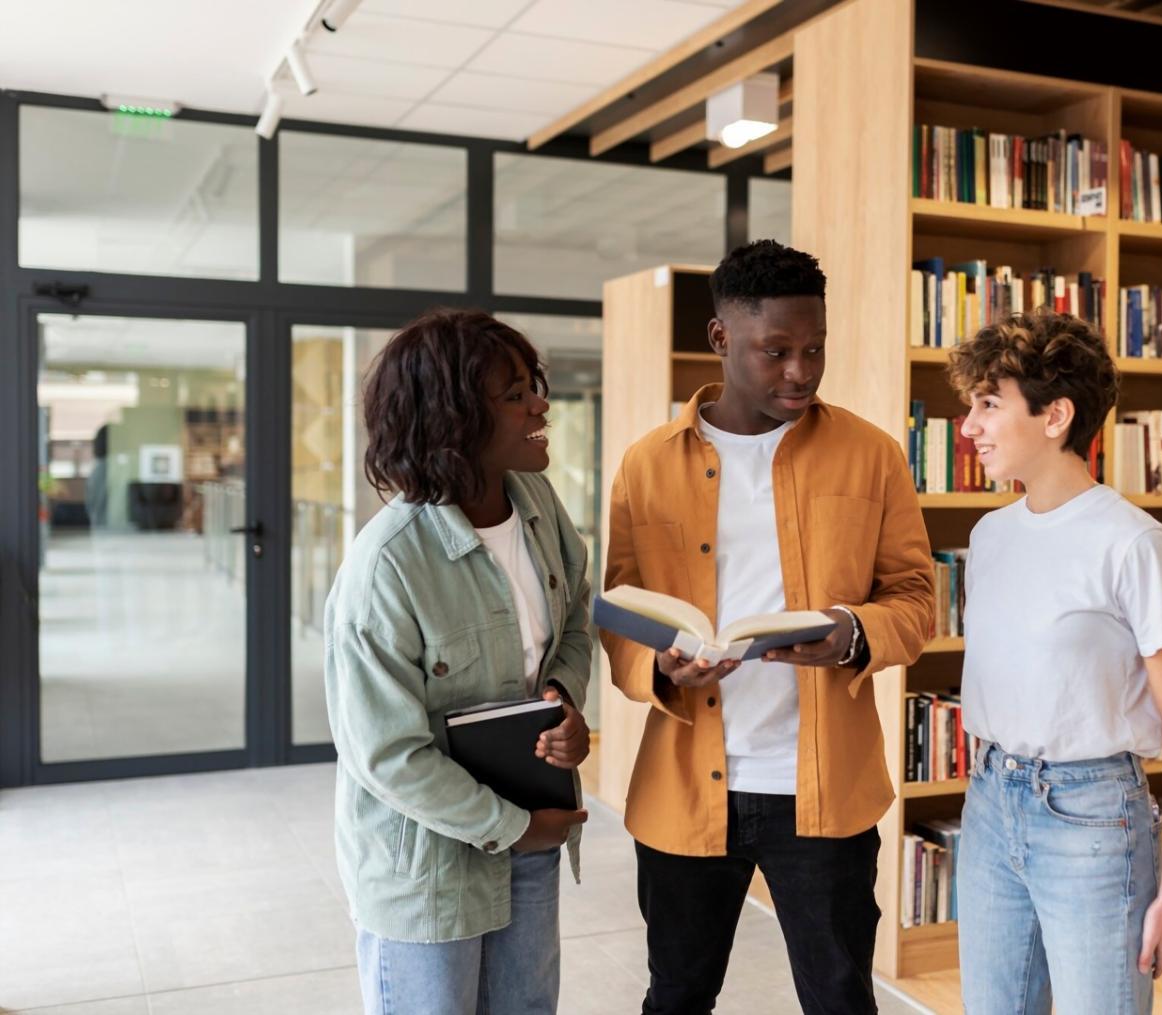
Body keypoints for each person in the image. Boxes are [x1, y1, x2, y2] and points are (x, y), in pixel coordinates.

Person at [601, 240, 935, 1014]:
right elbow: (619, 612)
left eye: (813, 349)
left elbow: (916, 598)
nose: (800, 371)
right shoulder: (645, 463)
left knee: (840, 1000)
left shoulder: (872, 455)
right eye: (776, 351)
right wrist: (659, 665)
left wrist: (851, 631)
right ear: (721, 338)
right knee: (676, 995)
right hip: (685, 787)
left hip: (822, 790)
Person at [324, 309, 592, 1015]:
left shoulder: (536, 499)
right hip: (428, 867)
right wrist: (513, 826)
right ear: (452, 418)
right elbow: (385, 755)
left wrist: (565, 698)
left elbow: (575, 615)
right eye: (514, 394)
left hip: (532, 835)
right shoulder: (386, 565)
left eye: (533, 384)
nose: (540, 404)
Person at [949, 310, 1162, 1015]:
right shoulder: (989, 533)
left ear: (1056, 415)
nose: (968, 425)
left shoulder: (1133, 544)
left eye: (988, 404)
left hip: (1093, 817)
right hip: (990, 800)